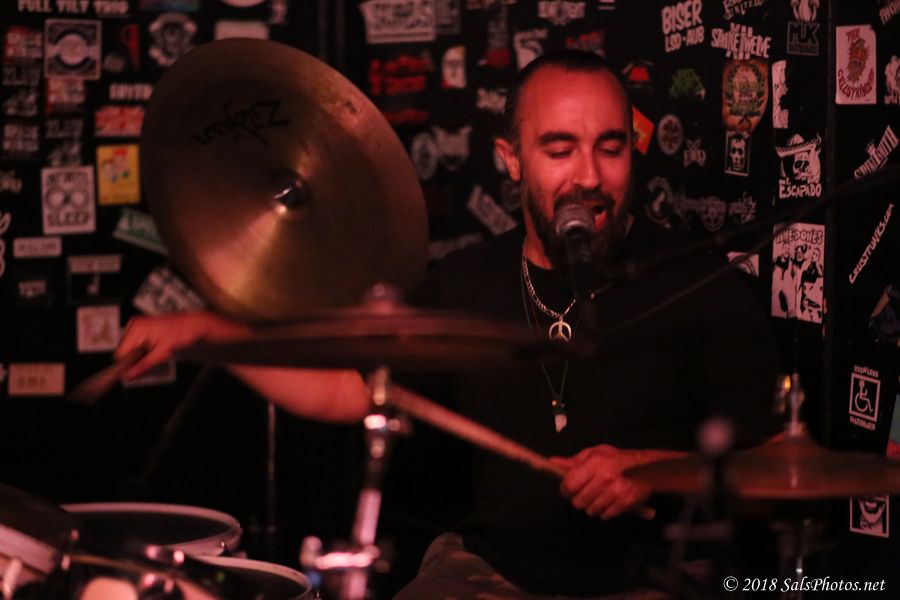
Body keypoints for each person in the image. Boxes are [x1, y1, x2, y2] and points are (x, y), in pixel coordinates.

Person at [116, 50, 780, 598]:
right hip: (492, 571)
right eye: (559, 149)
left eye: (610, 148)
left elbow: (779, 468)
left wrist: (650, 468)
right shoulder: (466, 282)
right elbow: (350, 391)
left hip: (654, 577)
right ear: (512, 158)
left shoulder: (699, 282)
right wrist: (208, 333)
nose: (589, 177)